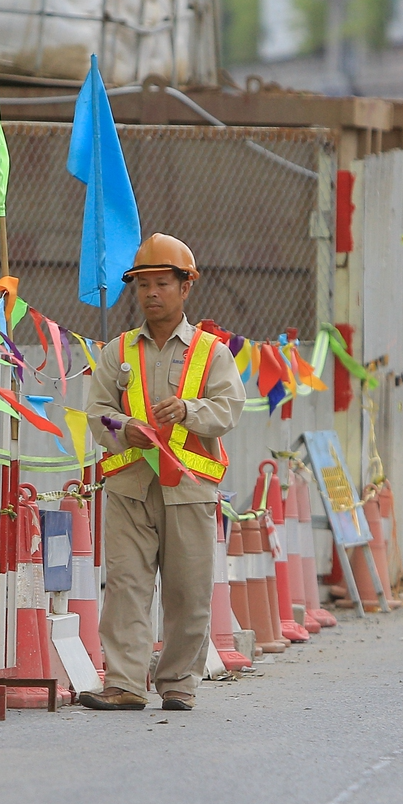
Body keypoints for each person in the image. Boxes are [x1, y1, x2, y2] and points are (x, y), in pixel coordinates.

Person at [79, 234, 246, 712]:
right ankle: (126, 683)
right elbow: (98, 412)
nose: (151, 293)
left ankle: (177, 683)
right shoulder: (117, 352)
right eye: (143, 284)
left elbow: (229, 408)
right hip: (131, 487)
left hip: (189, 490)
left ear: (185, 287)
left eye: (162, 283)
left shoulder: (212, 352)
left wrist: (189, 411)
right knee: (127, 586)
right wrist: (124, 427)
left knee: (188, 591)